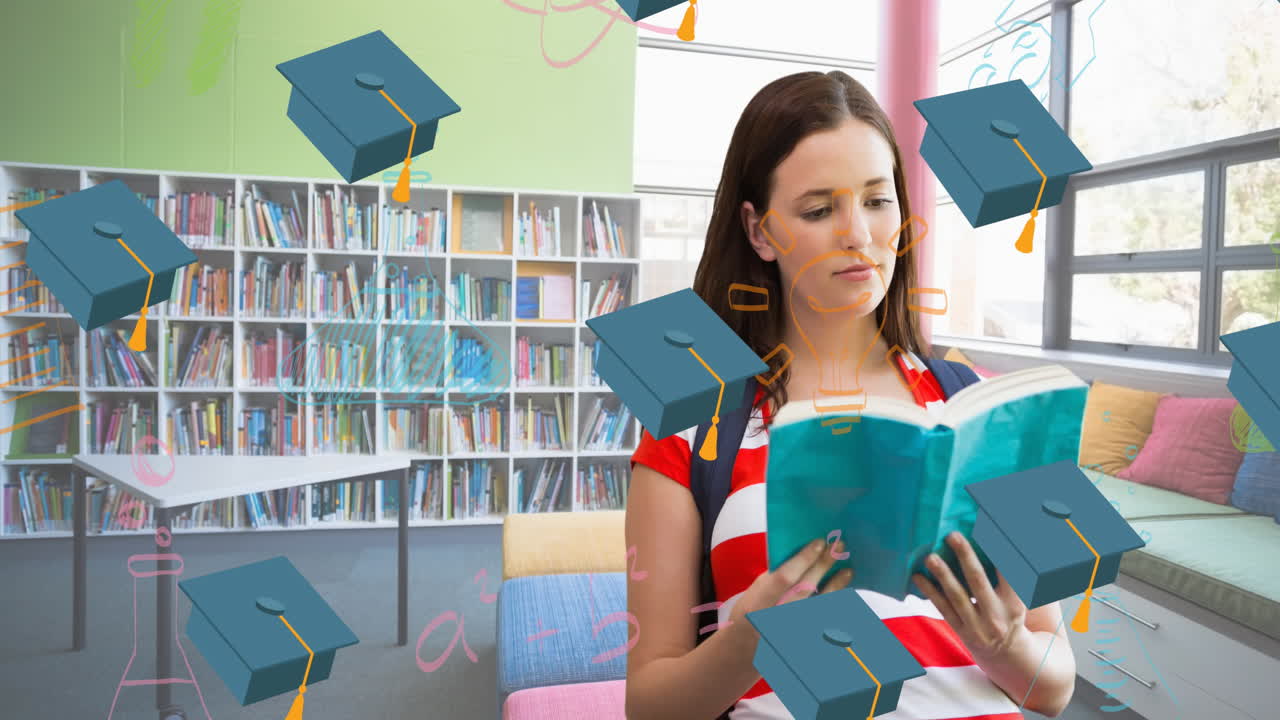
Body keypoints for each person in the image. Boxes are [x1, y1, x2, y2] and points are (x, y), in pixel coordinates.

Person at [624, 71, 1077, 720]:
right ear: (759, 232)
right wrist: (747, 642)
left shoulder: (979, 413)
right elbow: (648, 707)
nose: (858, 234)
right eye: (818, 209)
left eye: (877, 200)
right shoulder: (693, 424)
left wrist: (1006, 646)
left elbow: (1055, 685)